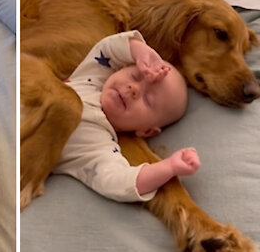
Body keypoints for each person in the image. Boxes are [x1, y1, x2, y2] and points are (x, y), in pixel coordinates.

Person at [54, 30, 200, 202]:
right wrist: (143, 53)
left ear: (146, 131)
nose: (134, 89)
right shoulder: (90, 78)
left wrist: (169, 167)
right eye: (136, 75)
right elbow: (108, 49)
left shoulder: (97, 145)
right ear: (122, 68)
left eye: (148, 99)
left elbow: (119, 181)